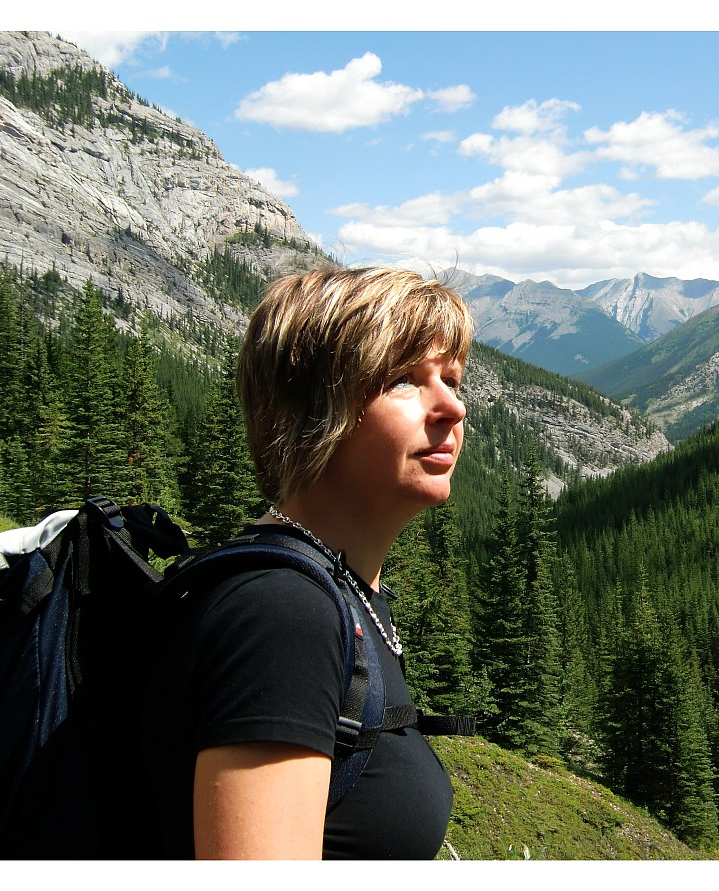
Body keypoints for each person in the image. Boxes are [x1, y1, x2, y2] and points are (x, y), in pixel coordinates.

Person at [139, 265, 474, 859]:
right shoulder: (281, 614)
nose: (452, 407)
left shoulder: (342, 593)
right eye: (402, 379)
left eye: (451, 378)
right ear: (313, 410)